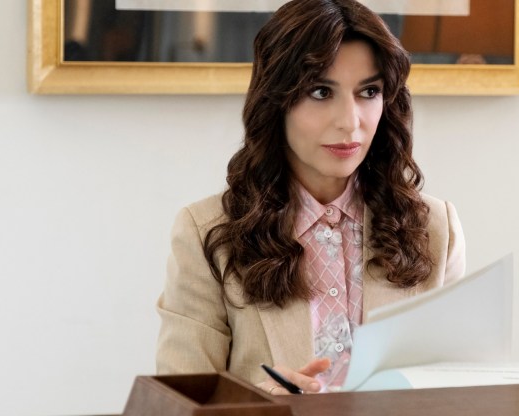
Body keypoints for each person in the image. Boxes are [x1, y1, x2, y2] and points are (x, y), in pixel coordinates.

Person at [155, 0, 466, 395]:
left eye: (369, 91)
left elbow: (456, 393)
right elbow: (182, 401)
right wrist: (258, 404)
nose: (350, 121)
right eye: (321, 91)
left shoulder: (436, 229)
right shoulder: (206, 234)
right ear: (276, 102)